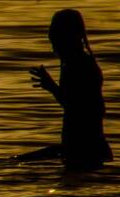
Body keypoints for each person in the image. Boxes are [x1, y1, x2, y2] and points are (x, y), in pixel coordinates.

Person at [29, 9, 112, 170]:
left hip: (87, 151)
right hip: (78, 150)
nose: (51, 39)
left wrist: (52, 87)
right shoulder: (73, 64)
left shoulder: (82, 66)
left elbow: (81, 109)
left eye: (55, 34)